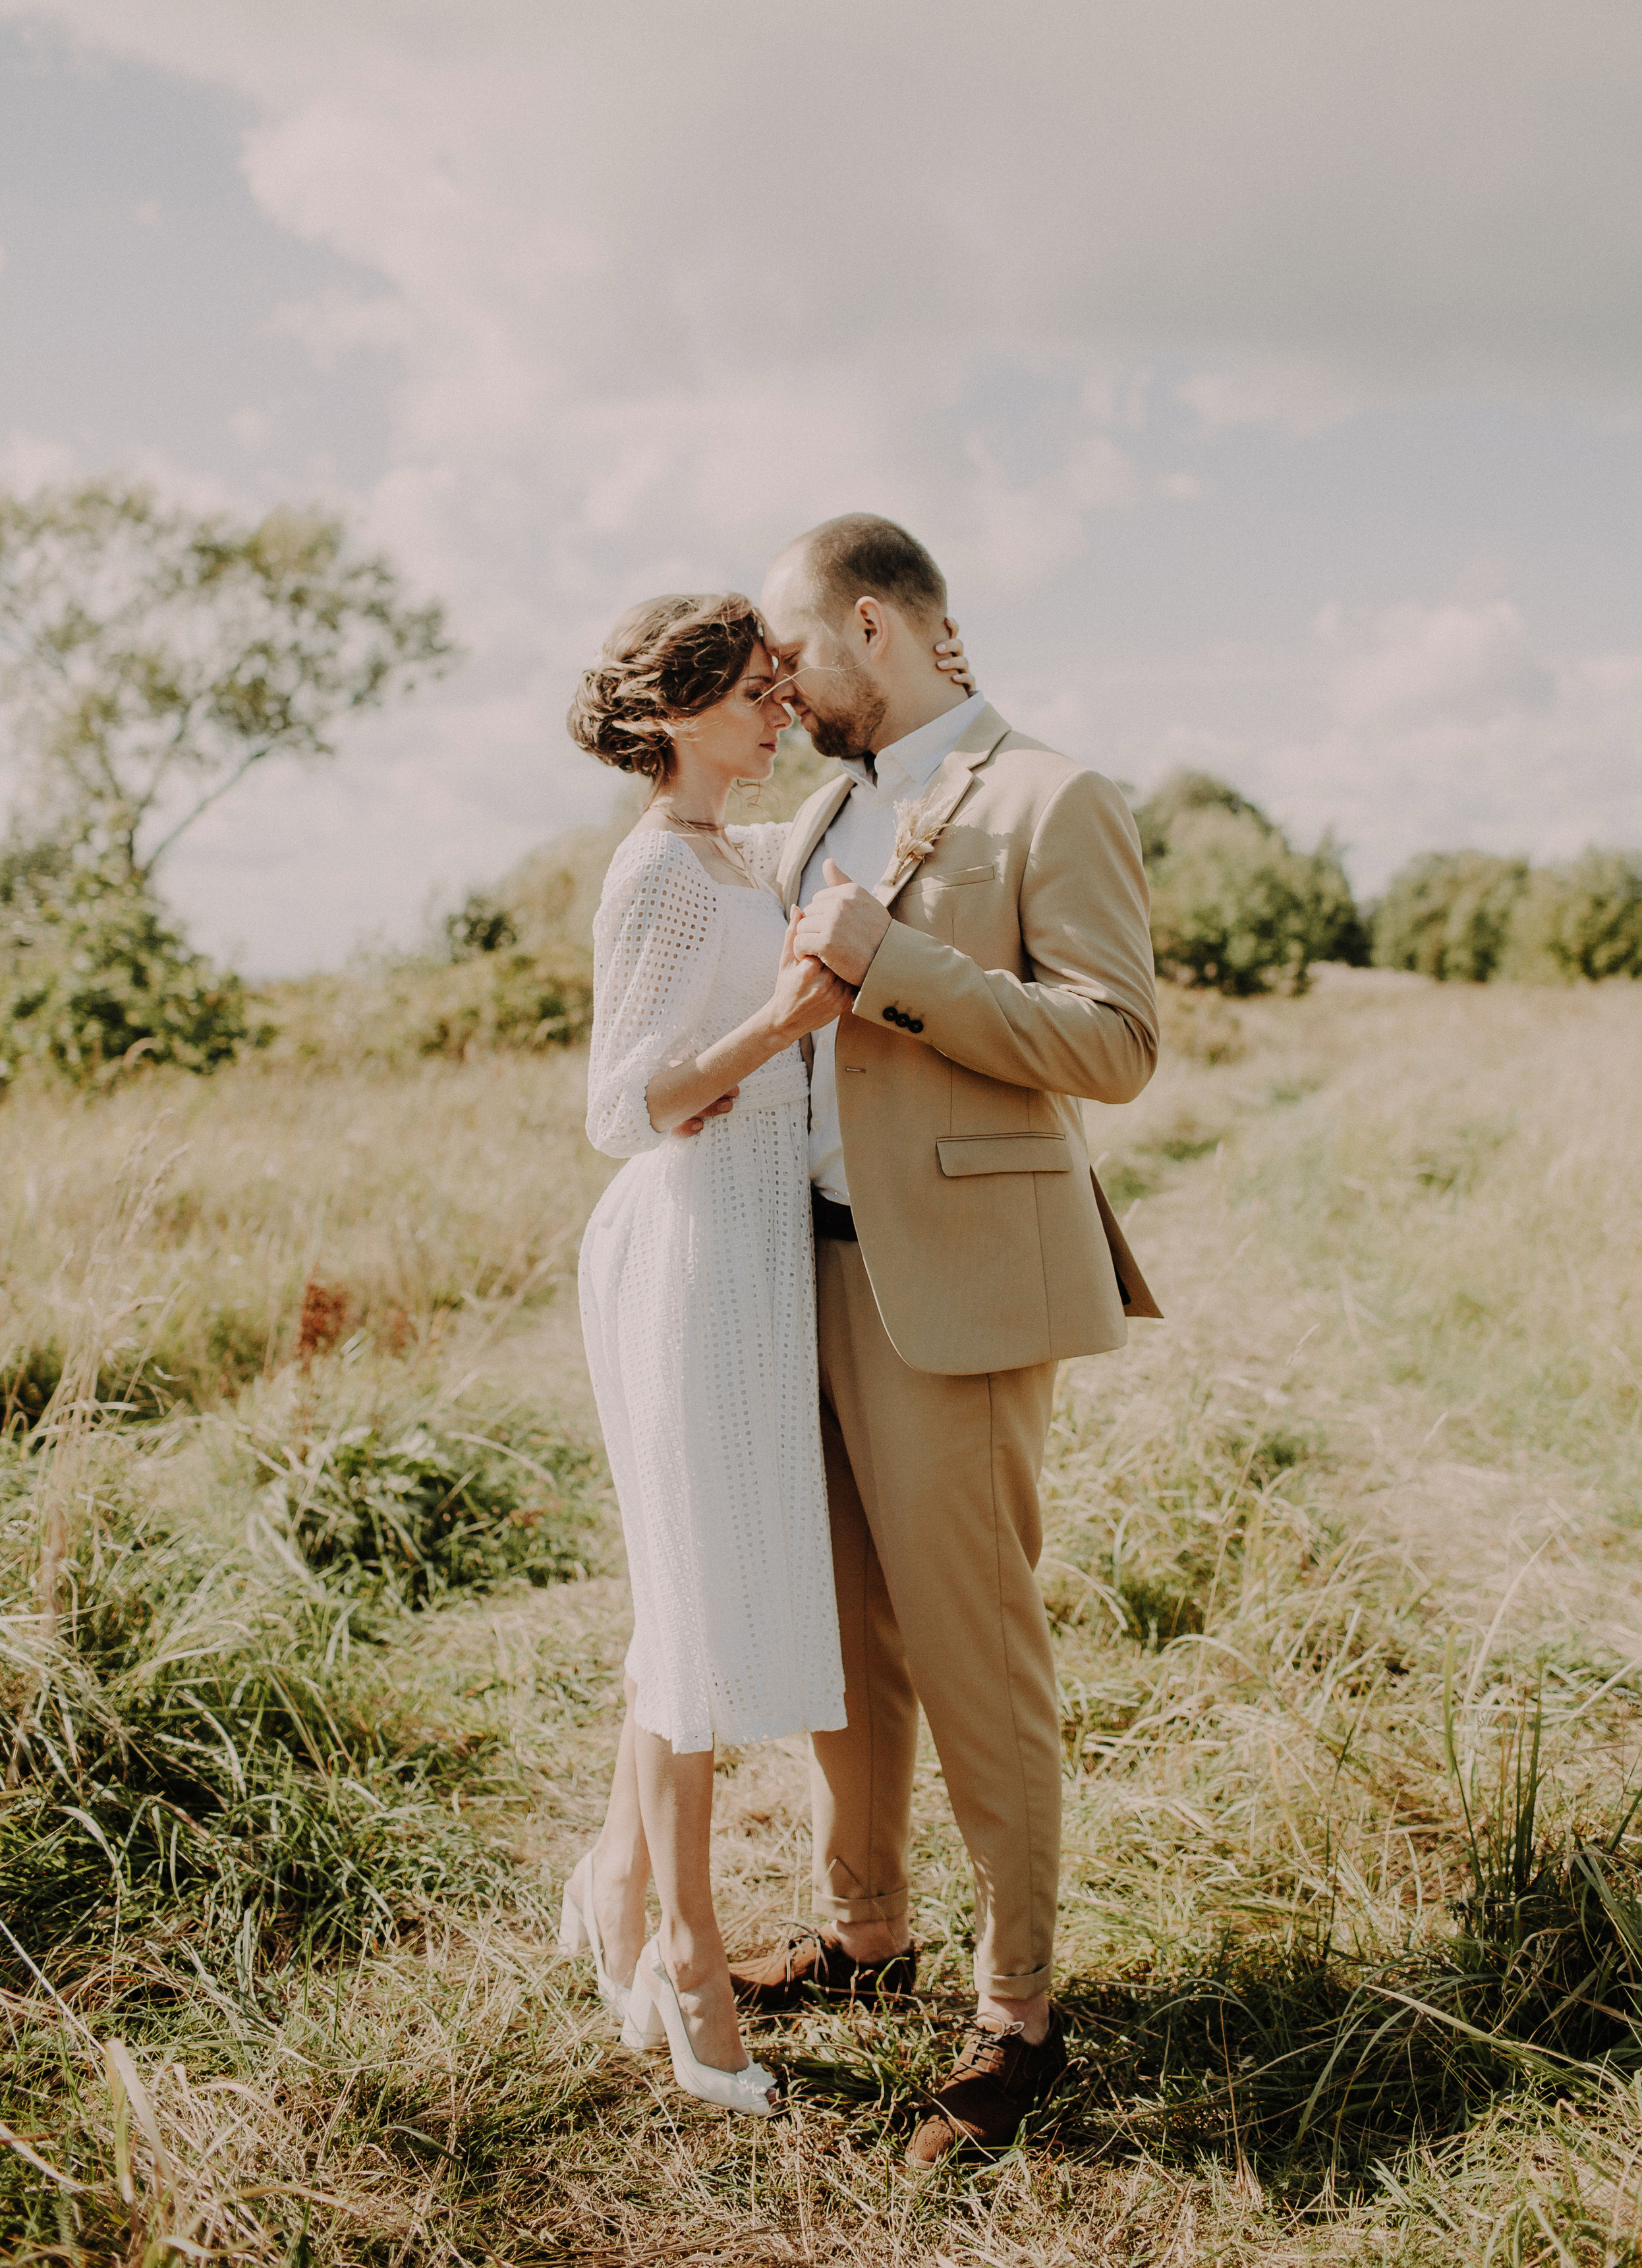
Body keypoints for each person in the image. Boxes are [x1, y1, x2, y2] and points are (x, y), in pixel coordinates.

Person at [730, 514, 1159, 2164]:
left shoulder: (1051, 795)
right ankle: (864, 1931)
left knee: (974, 1648)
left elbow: (1113, 1046)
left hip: (961, 1287)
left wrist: (893, 965)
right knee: (836, 1637)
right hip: (798, 1276)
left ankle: (1018, 2010)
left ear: (869, 626)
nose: (777, 680)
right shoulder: (820, 805)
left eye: (789, 648)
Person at [560, 588, 975, 2119]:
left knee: (690, 1604)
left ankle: (615, 1891)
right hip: (683, 1253)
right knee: (684, 1633)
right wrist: (787, 1016)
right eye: (744, 691)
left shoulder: (742, 849)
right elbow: (622, 1107)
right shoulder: (657, 877)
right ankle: (686, 1954)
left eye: (773, 684)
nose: (774, 708)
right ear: (669, 715)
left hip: (752, 1257)